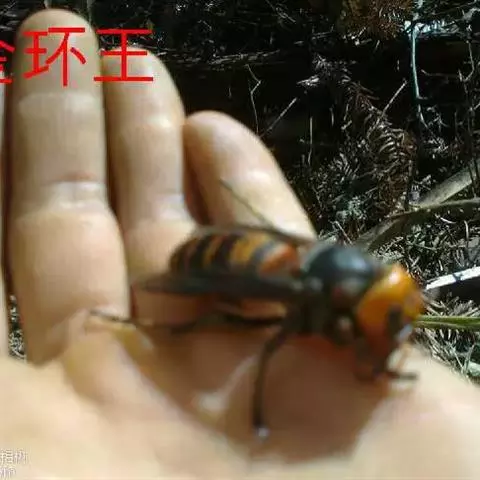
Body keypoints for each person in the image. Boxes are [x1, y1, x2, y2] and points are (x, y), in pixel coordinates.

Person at [0, 8, 478, 479]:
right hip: (219, 264)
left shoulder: (345, 285)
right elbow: (291, 344)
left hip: (248, 251)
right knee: (227, 319)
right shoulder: (320, 301)